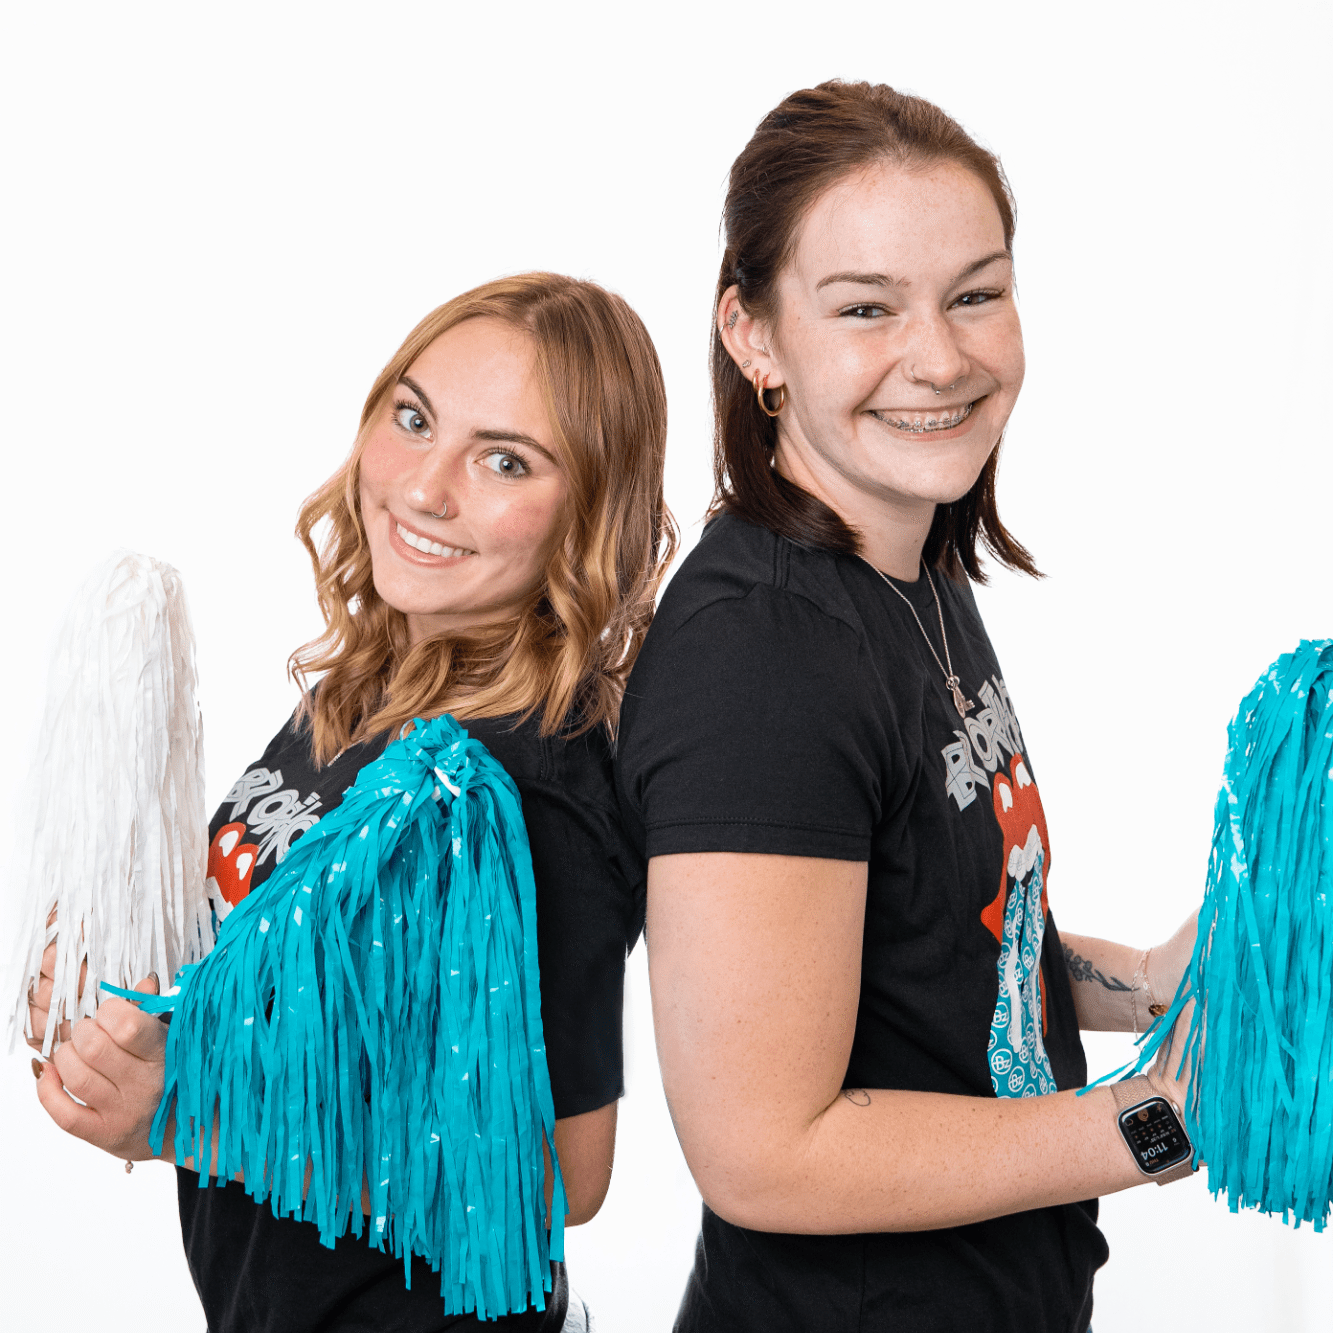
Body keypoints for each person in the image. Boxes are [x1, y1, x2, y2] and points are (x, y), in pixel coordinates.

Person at [616, 81, 1197, 1333]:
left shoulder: (906, 567)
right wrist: (1152, 1122)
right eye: (866, 308)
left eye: (975, 294)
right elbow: (764, 1151)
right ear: (754, 335)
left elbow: (939, 942)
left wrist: (1151, 982)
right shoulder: (759, 655)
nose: (940, 358)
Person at [29, 271, 676, 1331]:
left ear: (588, 511)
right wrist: (109, 986)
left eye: (503, 459)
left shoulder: (526, 780)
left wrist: (194, 1112)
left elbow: (564, 1173)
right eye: (413, 418)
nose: (424, 487)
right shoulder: (369, 686)